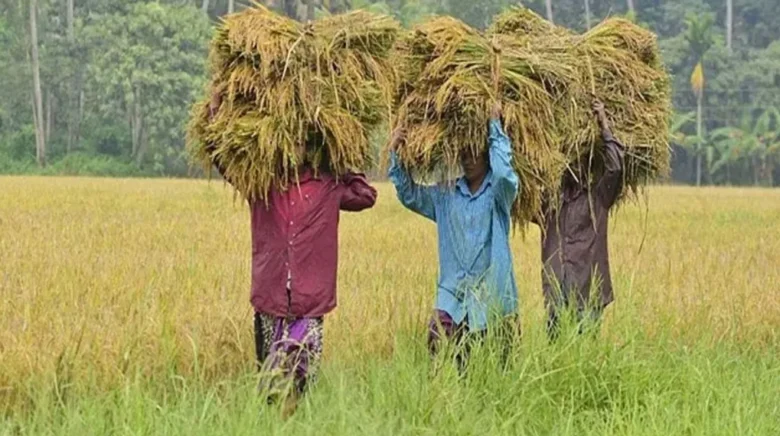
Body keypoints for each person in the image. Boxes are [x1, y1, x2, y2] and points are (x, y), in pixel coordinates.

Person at [208, 89, 378, 411]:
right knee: (269, 383)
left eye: (303, 141)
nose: (296, 148)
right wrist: (217, 112)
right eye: (290, 141)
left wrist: (341, 162)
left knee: (303, 380)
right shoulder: (262, 182)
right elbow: (224, 161)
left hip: (310, 301)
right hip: (270, 298)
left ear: (313, 145)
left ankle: (300, 433)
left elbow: (366, 195)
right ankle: (272, 435)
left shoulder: (329, 186)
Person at [388, 102, 520, 368]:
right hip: (453, 295)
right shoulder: (445, 195)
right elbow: (410, 194)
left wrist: (495, 126)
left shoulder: (498, 194)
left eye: (475, 153)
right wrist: (395, 152)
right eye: (464, 153)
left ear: (485, 155)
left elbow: (506, 174)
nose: (469, 159)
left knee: (496, 369)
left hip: (492, 296)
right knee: (440, 352)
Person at [535, 99, 625, 340]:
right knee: (556, 359)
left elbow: (616, 168)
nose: (572, 165)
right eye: (567, 160)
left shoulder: (598, 197)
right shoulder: (548, 203)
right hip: (556, 296)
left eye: (578, 159)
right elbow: (516, 189)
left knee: (584, 356)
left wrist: (603, 124)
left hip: (588, 295)